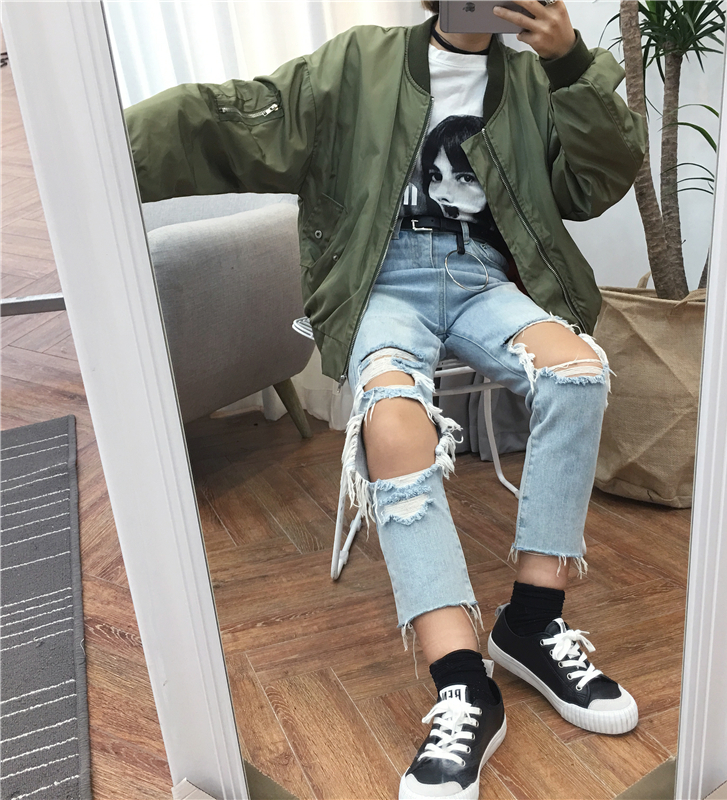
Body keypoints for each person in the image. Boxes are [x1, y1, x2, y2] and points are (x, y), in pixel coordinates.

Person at [125, 2, 647, 797]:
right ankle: (463, 682)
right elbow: (239, 117)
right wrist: (103, 149)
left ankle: (533, 621)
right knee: (393, 424)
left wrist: (573, 63)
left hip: (484, 278)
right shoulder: (359, 63)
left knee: (578, 372)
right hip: (383, 282)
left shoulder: (533, 78)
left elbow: (594, 184)